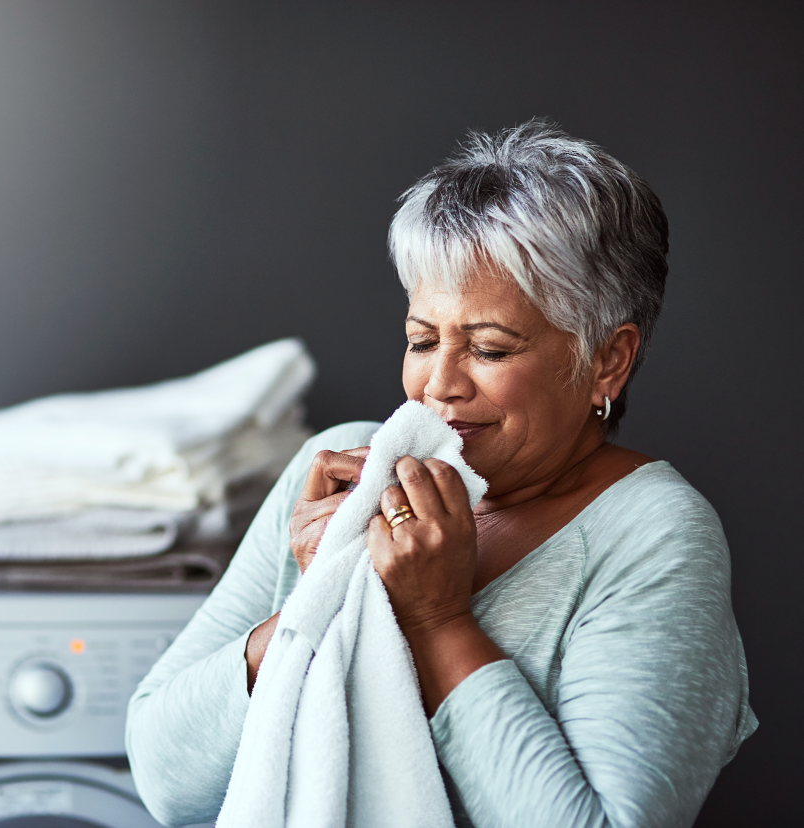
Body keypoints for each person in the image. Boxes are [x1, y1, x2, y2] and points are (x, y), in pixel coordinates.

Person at [125, 120, 756, 828]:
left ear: (607, 359)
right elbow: (163, 779)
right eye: (422, 340)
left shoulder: (654, 534)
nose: (439, 385)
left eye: (489, 348)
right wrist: (320, 592)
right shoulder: (342, 475)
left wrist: (436, 620)